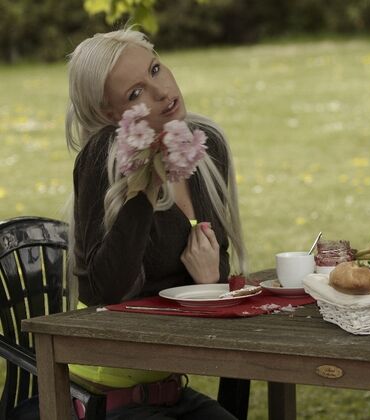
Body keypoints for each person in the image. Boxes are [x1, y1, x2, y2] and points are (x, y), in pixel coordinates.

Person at [65, 27, 246, 419]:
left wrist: (210, 280)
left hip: (170, 390)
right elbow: (106, 290)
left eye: (155, 69)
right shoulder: (103, 156)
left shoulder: (206, 144)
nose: (162, 91)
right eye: (135, 93)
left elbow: (219, 271)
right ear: (110, 114)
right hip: (102, 398)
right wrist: (146, 184)